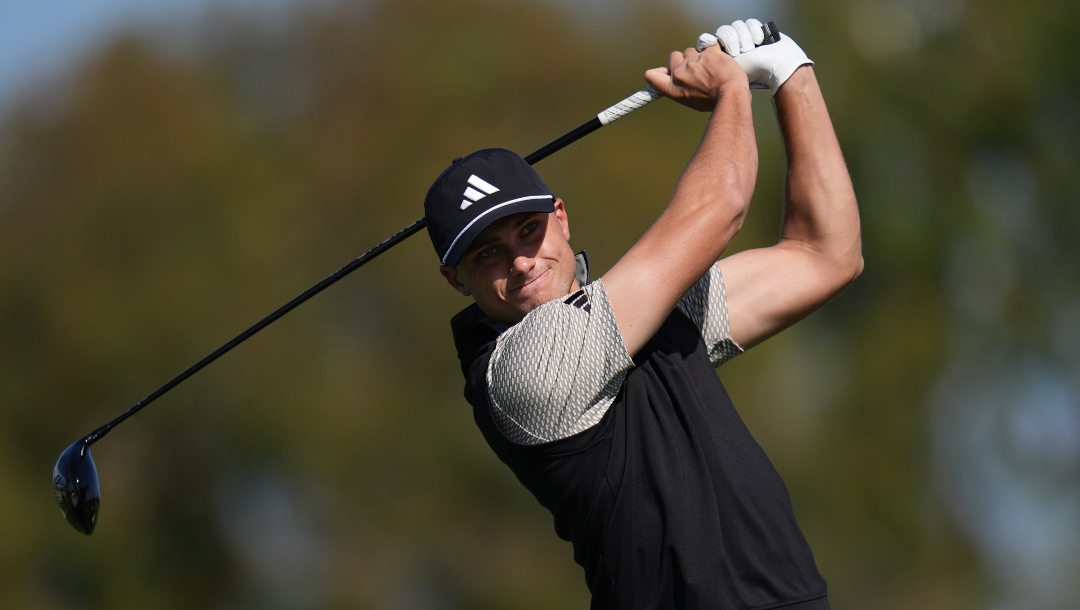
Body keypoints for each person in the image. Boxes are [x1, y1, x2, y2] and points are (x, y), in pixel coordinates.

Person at [423, 18, 861, 610]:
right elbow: (721, 204)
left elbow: (824, 255)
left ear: (561, 216)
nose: (523, 263)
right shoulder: (523, 373)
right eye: (489, 255)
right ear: (456, 278)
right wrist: (732, 91)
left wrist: (791, 73)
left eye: (529, 231)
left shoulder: (640, 318)